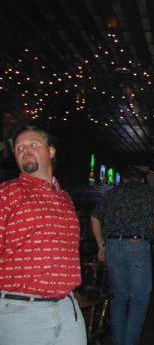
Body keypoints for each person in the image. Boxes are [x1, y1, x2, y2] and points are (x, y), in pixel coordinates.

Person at [0, 125, 87, 345]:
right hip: (22, 310)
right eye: (19, 148)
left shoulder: (65, 198)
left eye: (32, 144)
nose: (24, 150)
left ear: (51, 151)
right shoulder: (7, 192)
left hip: (68, 308)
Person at [91, 166, 154, 345]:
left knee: (119, 297)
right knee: (139, 299)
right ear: (141, 179)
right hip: (137, 245)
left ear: (123, 179)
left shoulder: (111, 193)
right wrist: (143, 227)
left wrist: (101, 245)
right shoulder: (150, 192)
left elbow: (95, 217)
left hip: (113, 246)